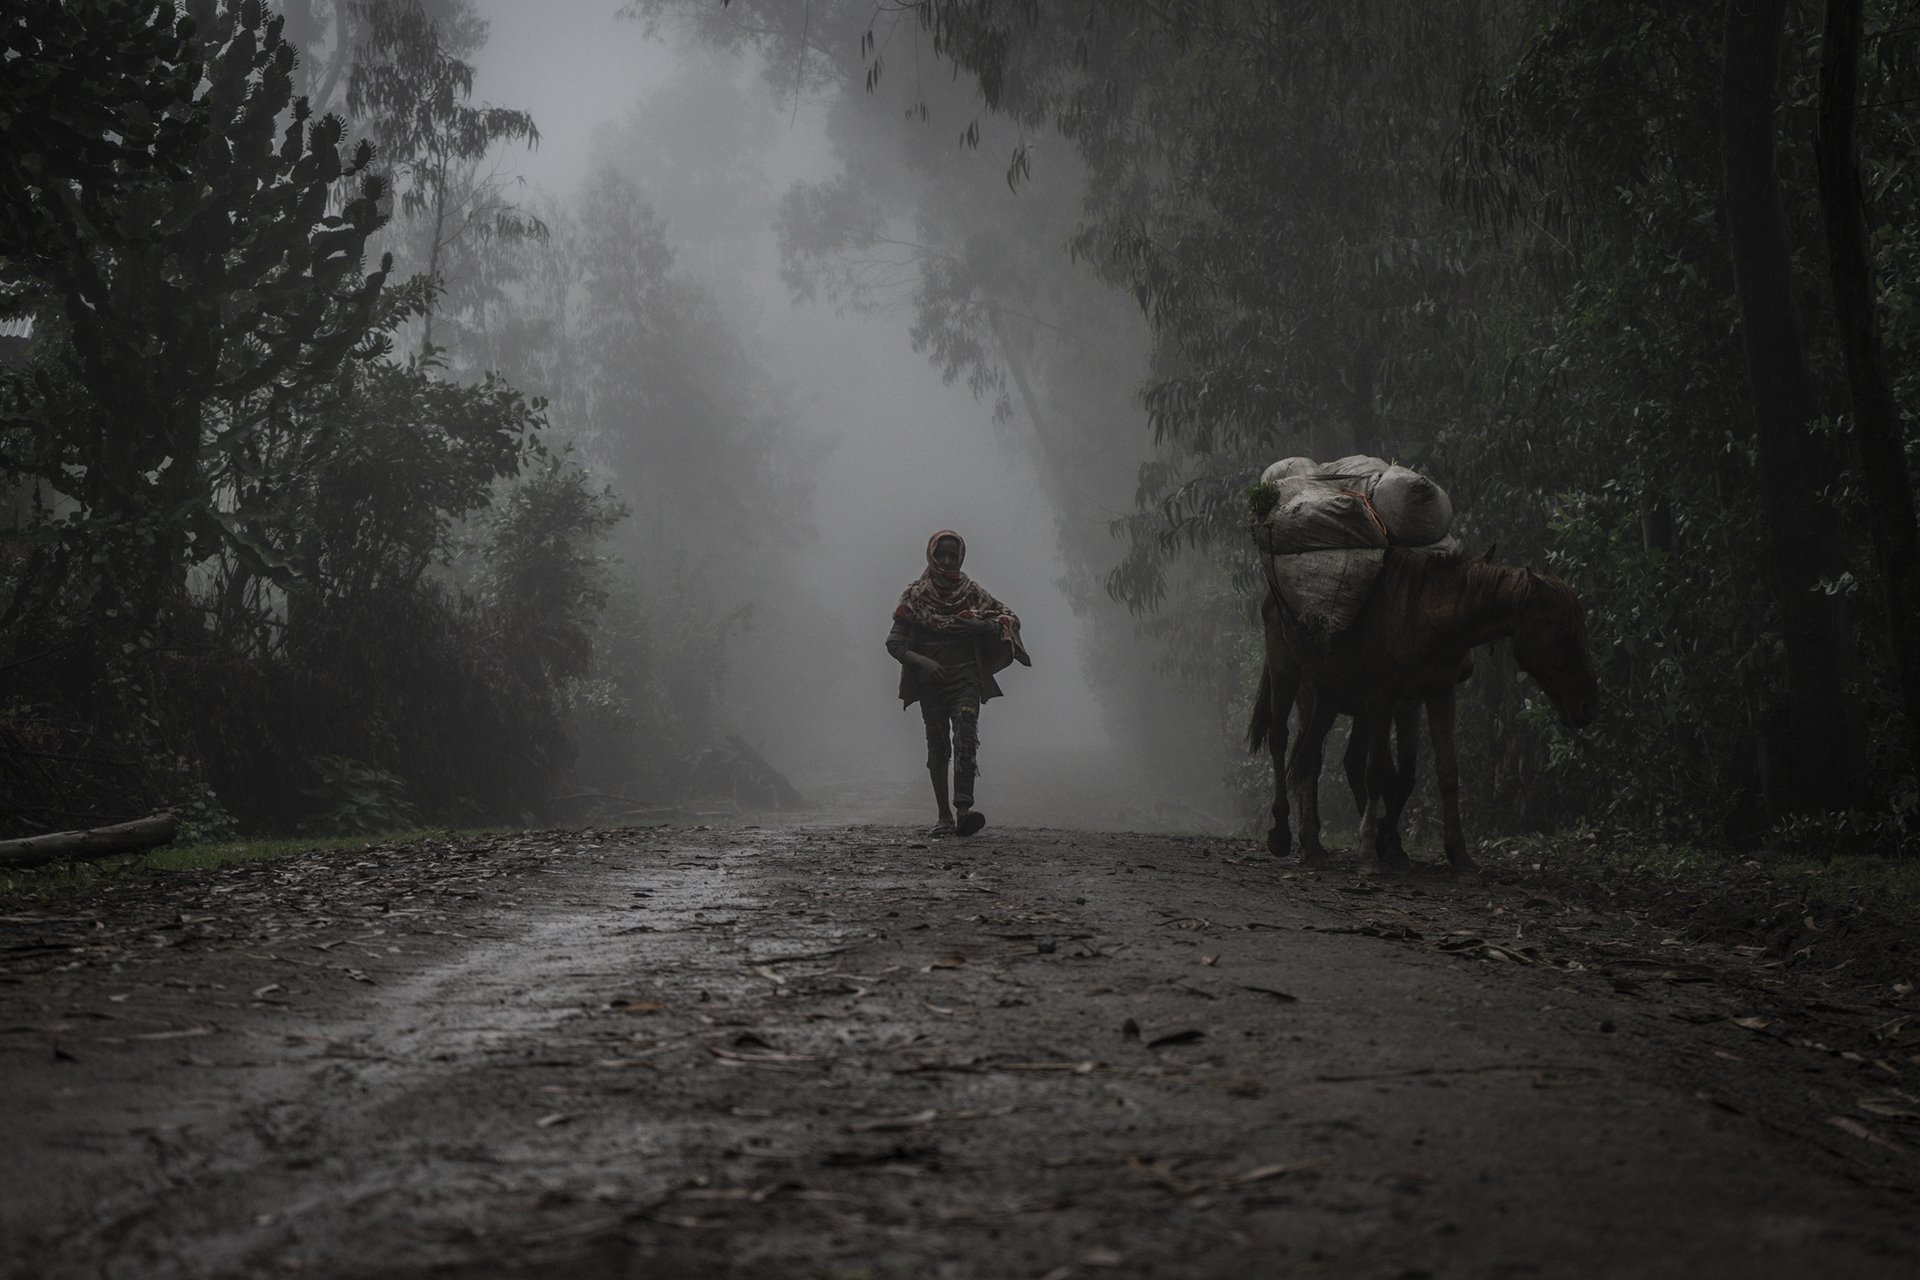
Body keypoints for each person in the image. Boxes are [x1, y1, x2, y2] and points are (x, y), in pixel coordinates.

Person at [886, 530, 1030, 836]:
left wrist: (981, 625)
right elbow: (894, 643)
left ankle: (964, 809)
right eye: (942, 554)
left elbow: (1008, 619)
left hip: (966, 677)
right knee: (937, 744)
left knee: (965, 732)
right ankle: (943, 816)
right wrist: (924, 661)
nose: (948, 560)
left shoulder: (971, 592)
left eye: (954, 554)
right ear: (931, 555)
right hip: (930, 682)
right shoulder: (914, 596)